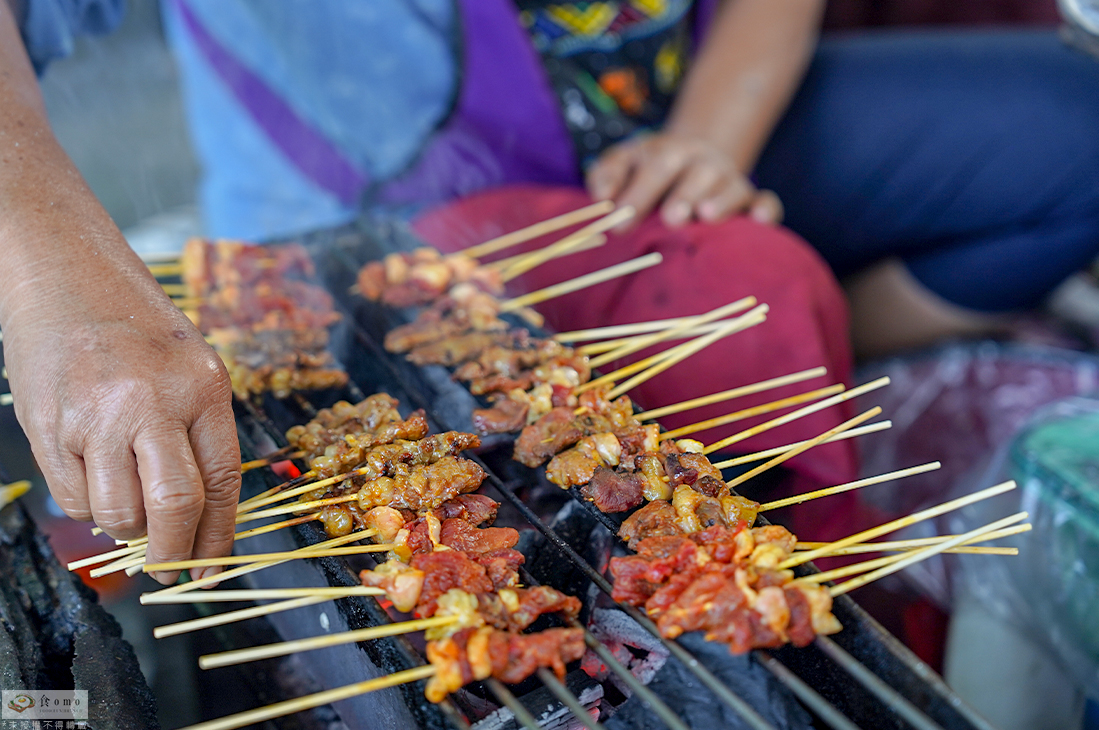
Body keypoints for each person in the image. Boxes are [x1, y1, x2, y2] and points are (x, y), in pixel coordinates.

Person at [4, 0, 1099, 567]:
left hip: (655, 139)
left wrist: (709, 146)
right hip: (373, 224)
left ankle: (755, 357)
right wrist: (65, 276)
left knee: (1070, 131)